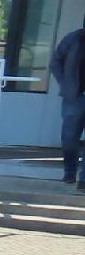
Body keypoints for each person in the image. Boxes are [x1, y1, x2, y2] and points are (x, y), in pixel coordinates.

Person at [51, 16, 85, 186]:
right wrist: (64, 84)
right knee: (69, 138)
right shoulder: (73, 39)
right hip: (74, 97)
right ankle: (70, 171)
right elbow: (55, 61)